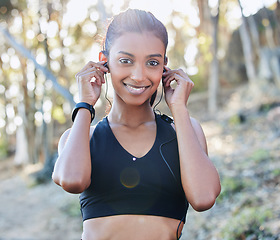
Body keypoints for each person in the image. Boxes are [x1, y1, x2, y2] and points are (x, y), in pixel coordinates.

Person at [52, 8, 221, 240]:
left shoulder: (184, 131)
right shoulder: (83, 137)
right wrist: (85, 104)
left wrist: (179, 109)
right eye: (125, 60)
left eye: (152, 62)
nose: (139, 75)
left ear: (164, 67)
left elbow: (204, 198)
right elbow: (72, 180)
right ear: (104, 62)